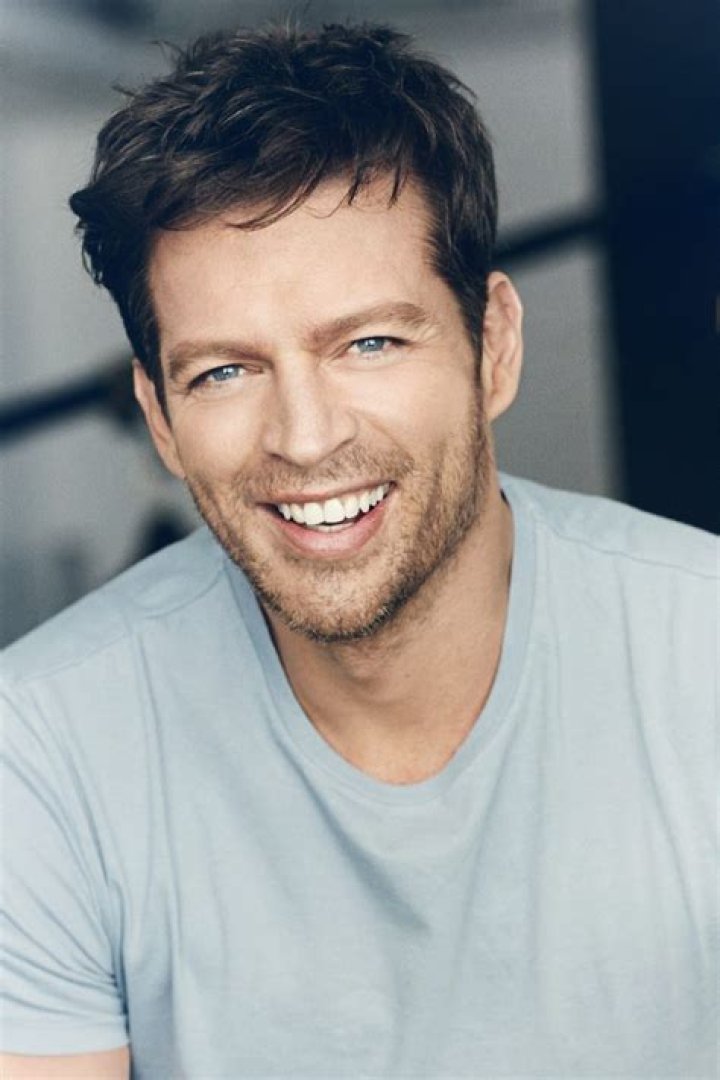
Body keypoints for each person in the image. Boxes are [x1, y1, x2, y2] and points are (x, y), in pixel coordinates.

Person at [0, 21, 716, 1080]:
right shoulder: (39, 750)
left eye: (370, 342)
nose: (304, 437)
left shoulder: (705, 654)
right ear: (159, 418)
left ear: (493, 347)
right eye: (224, 372)